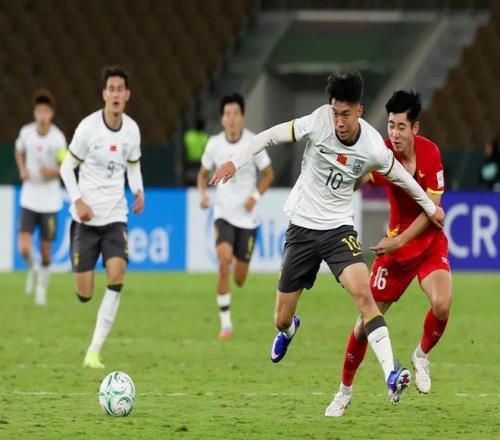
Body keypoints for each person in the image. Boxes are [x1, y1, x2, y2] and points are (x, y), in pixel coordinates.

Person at [210, 72, 445, 412]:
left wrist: (431, 209)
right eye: (335, 112)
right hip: (302, 228)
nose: (339, 121)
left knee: (365, 297)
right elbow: (269, 136)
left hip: (338, 231)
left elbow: (406, 181)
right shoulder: (318, 121)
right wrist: (235, 161)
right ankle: (289, 332)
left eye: (345, 114)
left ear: (359, 111)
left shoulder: (373, 147)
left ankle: (391, 374)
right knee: (281, 318)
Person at [327, 90, 453, 417]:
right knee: (363, 324)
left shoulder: (431, 154)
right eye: (390, 126)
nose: (394, 134)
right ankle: (343, 392)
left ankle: (421, 356)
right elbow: (359, 177)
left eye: (401, 127)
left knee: (442, 304)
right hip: (396, 252)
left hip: (427, 242)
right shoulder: (381, 153)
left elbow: (431, 212)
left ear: (415, 128)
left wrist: (397, 242)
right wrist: (341, 184)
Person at [59, 66, 144, 369]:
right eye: (111, 89)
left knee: (117, 275)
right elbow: (66, 168)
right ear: (104, 94)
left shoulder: (132, 130)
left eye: (120, 89)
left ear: (127, 94)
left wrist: (138, 190)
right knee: (84, 293)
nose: (116, 94)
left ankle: (93, 352)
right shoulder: (87, 128)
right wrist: (78, 200)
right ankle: (84, 277)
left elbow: (133, 166)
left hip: (115, 217)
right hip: (85, 219)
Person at [198, 93, 274, 339]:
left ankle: (238, 271)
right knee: (223, 263)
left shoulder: (253, 142)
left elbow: (269, 174)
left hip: (248, 218)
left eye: (235, 114)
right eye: (227, 114)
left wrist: (256, 196)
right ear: (222, 119)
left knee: (240, 278)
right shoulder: (214, 144)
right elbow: (203, 173)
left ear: (242, 117)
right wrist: (202, 194)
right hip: (223, 214)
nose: (231, 119)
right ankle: (226, 325)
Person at [14, 89, 67, 305]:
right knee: (24, 248)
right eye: (39, 111)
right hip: (29, 197)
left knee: (46, 251)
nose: (42, 115)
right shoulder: (26, 133)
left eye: (46, 111)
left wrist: (52, 171)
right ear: (34, 113)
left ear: (51, 113)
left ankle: (41, 288)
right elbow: (18, 151)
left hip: (50, 201)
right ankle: (32, 269)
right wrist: (22, 169)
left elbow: (65, 165)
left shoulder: (58, 138)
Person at [184, 117, 209, 185]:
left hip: (193, 163)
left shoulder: (189, 135)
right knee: (198, 181)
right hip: (196, 163)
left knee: (192, 181)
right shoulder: (204, 136)